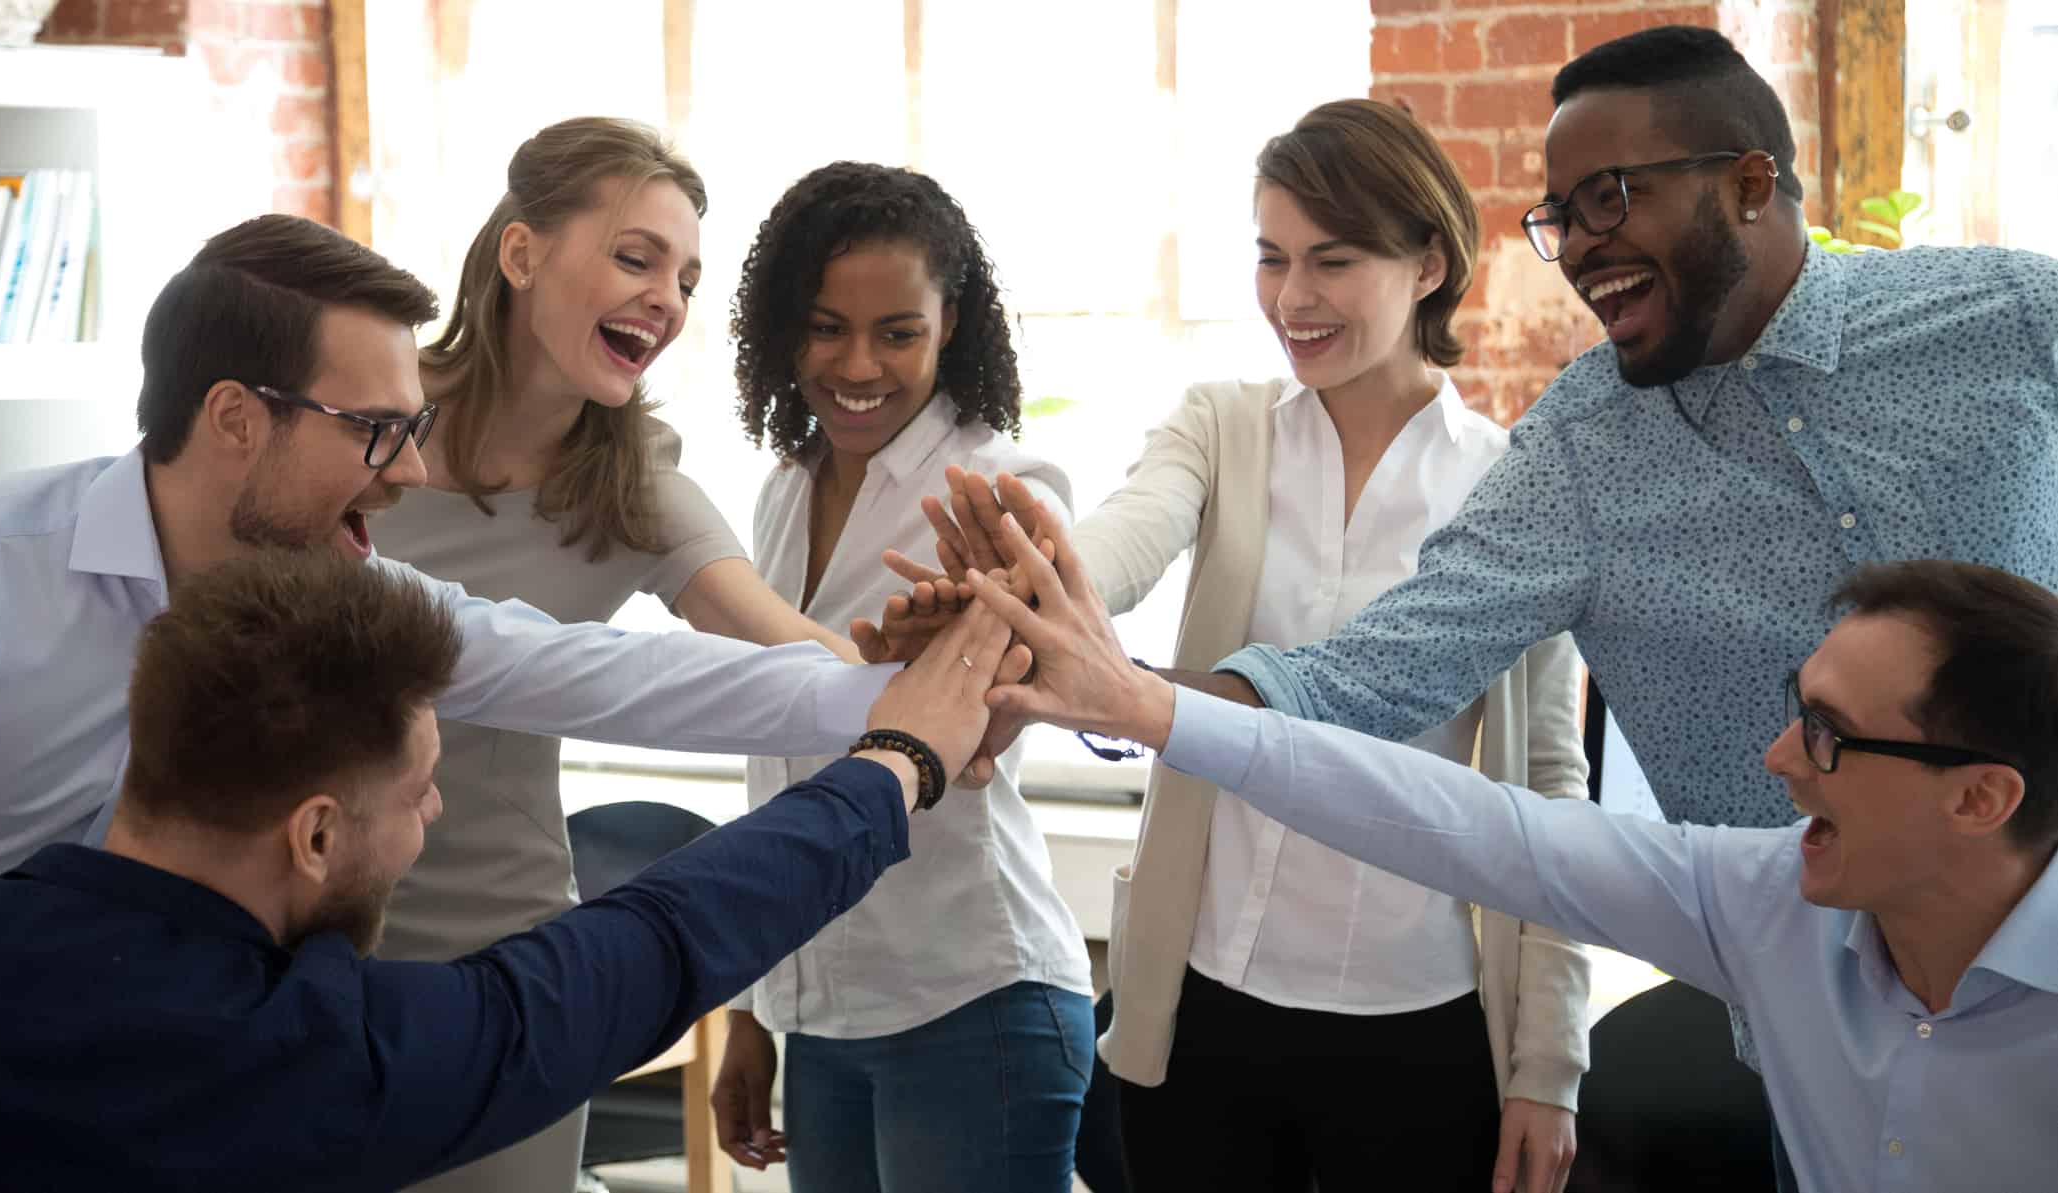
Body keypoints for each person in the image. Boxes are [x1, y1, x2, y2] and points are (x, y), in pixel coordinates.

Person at [879, 27, 2058, 1188]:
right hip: (1807, 979)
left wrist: (1545, 1064)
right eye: (1562, 216)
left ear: (1751, 182)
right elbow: (1369, 691)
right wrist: (1062, 644)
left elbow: (1539, 779)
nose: (1582, 247)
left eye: (1611, 199)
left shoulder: (2007, 316)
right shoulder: (1577, 452)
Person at [891, 103, 1590, 1192]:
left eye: (1332, 260)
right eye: (1271, 257)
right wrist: (1024, 582)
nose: (1292, 297)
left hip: (1421, 1019)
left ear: (1427, 265)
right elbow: (1121, 542)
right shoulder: (1222, 425)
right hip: (1206, 1004)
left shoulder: (1511, 485)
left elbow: (1549, 787)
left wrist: (1548, 1066)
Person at [969, 503, 2058, 1193]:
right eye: (1795, 707)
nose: (1777, 757)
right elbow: (1472, 828)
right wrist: (1149, 707)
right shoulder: (1765, 900)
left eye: (1826, 732)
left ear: (1981, 797)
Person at [0, 547, 1023, 1191]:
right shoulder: (309, 1057)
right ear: (314, 836)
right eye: (418, 790)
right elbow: (647, 945)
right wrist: (900, 760)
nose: (436, 810)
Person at [0, 212, 897, 883]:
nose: (411, 472)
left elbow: (607, 674)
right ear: (235, 418)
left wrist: (903, 699)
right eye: (376, 430)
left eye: (413, 428)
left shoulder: (346, 599)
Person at [380, 118, 857, 1193]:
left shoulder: (630, 474)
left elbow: (771, 633)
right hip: (299, 931)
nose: (666, 300)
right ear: (521, 253)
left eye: (685, 279)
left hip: (504, 954)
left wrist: (920, 698)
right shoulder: (373, 411)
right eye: (636, 258)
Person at [708, 161, 1094, 1193]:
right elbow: (775, 767)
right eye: (825, 327)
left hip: (973, 1000)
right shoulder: (783, 492)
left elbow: (988, 726)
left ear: (949, 324)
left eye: (897, 333)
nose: (857, 364)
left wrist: (939, 666)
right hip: (824, 1019)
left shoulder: (1004, 489)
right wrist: (756, 1010)